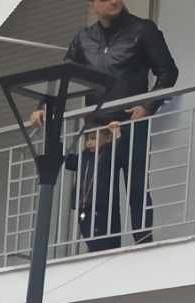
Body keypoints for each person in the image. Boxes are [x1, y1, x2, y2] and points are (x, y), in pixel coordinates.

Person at [50, 0, 178, 251]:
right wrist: (43, 107)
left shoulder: (143, 30)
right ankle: (101, 251)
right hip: (97, 129)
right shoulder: (83, 39)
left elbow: (168, 72)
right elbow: (63, 81)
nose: (114, 0)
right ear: (92, 4)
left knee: (136, 188)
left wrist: (147, 106)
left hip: (131, 122)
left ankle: (142, 246)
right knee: (93, 194)